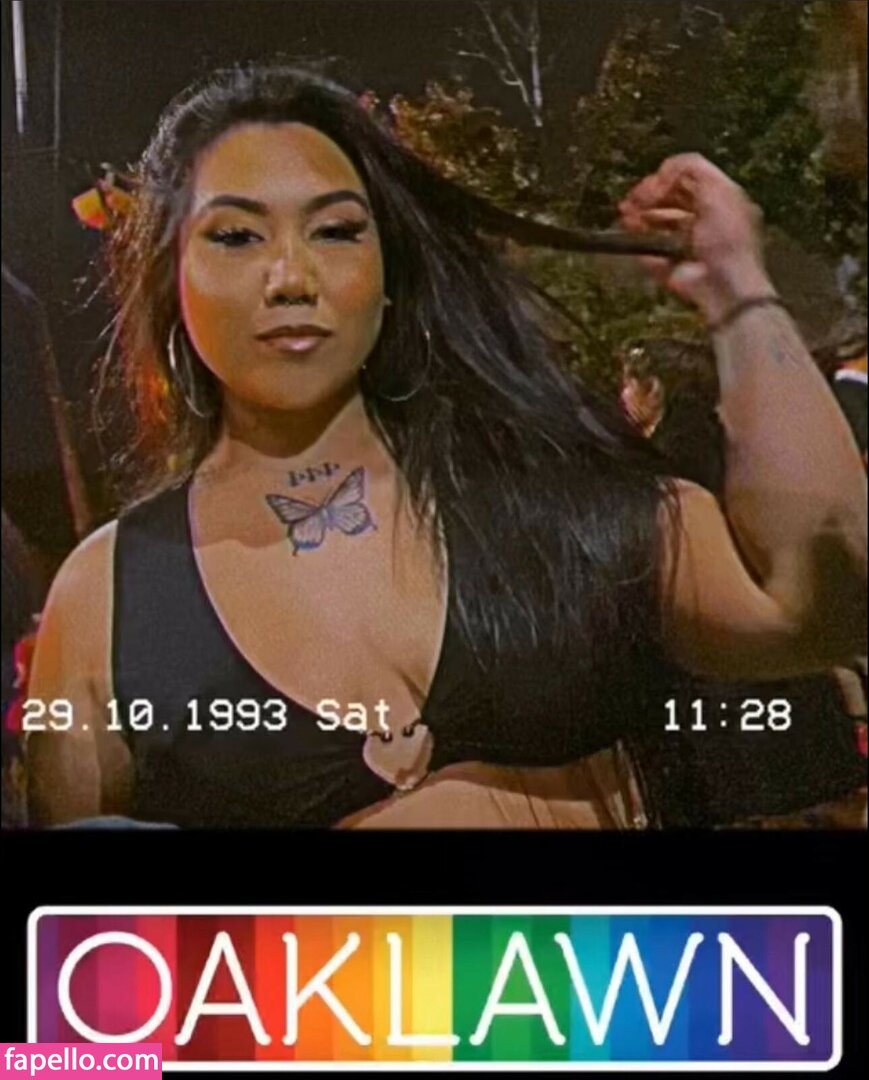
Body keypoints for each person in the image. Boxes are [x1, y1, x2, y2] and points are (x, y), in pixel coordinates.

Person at [24, 63, 868, 829]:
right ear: (172, 280)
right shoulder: (104, 603)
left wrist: (735, 287)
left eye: (336, 230)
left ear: (389, 276)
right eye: (237, 237)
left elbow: (810, 606)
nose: (290, 278)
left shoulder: (557, 500)